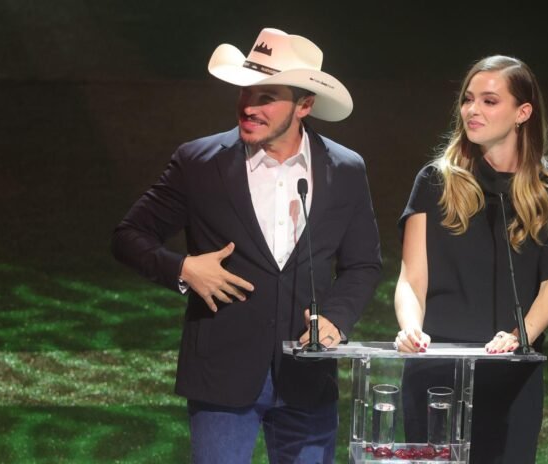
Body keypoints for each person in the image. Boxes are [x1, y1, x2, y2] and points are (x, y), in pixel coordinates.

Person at [112, 28, 381, 463]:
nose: (249, 107)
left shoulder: (345, 169)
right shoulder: (198, 162)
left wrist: (336, 317)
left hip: (307, 379)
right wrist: (183, 269)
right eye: (245, 93)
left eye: (266, 97)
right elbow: (128, 236)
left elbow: (363, 264)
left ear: (304, 105)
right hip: (221, 376)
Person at [392, 55, 548, 463]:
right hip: (435, 372)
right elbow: (412, 278)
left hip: (511, 374)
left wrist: (519, 336)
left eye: (489, 101)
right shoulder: (435, 180)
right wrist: (410, 328)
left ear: (522, 113)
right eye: (467, 99)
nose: (472, 110)